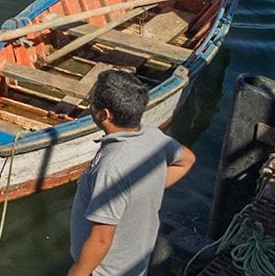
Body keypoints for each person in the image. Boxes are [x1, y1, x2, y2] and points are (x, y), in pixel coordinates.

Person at [67, 70, 196, 276]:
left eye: (91, 102)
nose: (89, 106)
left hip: (104, 271)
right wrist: (142, 189)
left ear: (105, 115)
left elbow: (101, 239)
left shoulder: (111, 168)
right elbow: (187, 160)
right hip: (134, 261)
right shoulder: (153, 137)